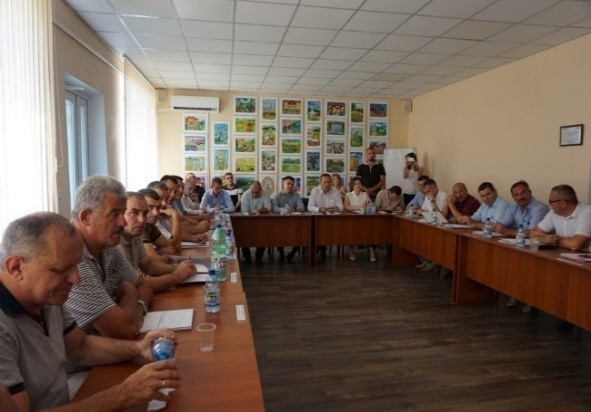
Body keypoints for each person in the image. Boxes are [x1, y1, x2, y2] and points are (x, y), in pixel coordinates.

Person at [0, 212, 180, 410]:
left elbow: (81, 347)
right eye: (63, 269)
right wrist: (123, 394)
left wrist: (139, 348)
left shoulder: (46, 297)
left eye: (76, 266)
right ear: (16, 267)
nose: (76, 279)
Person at [68, 176, 154, 345]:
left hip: (113, 351)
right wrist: (130, 293)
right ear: (86, 217)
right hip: (88, 361)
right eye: (115, 214)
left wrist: (137, 308)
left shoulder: (108, 247)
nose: (122, 222)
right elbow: (124, 331)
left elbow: (145, 286)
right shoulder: (72, 260)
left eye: (122, 213)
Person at [120, 192, 196, 292]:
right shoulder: (115, 244)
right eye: (134, 213)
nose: (142, 220)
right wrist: (177, 276)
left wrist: (181, 269)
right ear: (119, 214)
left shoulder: (135, 236)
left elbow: (149, 265)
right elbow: (137, 285)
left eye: (145, 213)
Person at [492, 180, 549, 309]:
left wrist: (507, 231)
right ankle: (516, 292)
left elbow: (533, 233)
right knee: (506, 259)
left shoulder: (540, 208)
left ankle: (530, 298)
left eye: (523, 193)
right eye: (516, 195)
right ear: (513, 197)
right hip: (520, 243)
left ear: (530, 193)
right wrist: (501, 226)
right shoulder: (513, 207)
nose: (520, 197)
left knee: (523, 263)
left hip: (538, 247)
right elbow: (503, 223)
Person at [530, 184, 591, 251]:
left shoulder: (587, 212)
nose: (549, 205)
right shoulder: (553, 213)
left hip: (582, 255)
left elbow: (575, 244)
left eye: (551, 201)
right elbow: (532, 233)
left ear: (563, 203)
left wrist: (553, 240)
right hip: (562, 253)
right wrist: (544, 239)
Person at [308, 174, 344, 259]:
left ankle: (321, 248)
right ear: (320, 182)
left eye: (329, 182)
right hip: (317, 219)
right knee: (318, 229)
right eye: (325, 182)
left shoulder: (335, 191)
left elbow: (341, 207)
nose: (327, 184)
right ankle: (321, 248)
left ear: (331, 182)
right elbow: (309, 207)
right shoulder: (315, 191)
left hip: (330, 219)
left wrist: (338, 208)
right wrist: (319, 209)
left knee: (327, 228)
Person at [272, 176, 306, 262]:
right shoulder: (277, 196)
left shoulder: (296, 195)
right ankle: (281, 253)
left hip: (294, 222)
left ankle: (293, 252)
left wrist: (295, 209)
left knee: (301, 233)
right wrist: (284, 210)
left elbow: (302, 208)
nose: (291, 186)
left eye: (292, 184)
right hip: (281, 222)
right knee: (278, 232)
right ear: (283, 184)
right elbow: (274, 208)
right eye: (288, 184)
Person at [344, 177, 376, 262]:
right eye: (356, 184)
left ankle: (371, 249)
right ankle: (351, 250)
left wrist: (368, 205)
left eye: (359, 184)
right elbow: (346, 207)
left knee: (370, 230)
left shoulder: (365, 194)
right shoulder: (348, 195)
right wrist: (359, 207)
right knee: (352, 231)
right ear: (352, 185)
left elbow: (371, 206)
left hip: (364, 218)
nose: (358, 185)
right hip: (352, 219)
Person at [240, 181, 272, 264]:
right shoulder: (245, 195)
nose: (254, 194)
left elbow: (268, 208)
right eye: (253, 192)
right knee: (242, 234)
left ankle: (259, 256)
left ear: (261, 190)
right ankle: (247, 257)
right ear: (250, 189)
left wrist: (259, 210)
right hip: (247, 221)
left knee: (264, 233)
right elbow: (244, 211)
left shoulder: (265, 194)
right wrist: (253, 212)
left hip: (261, 221)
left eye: (257, 192)